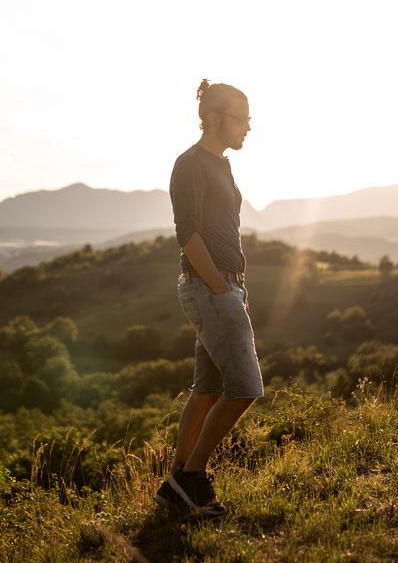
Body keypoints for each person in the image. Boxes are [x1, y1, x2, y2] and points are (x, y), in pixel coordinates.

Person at [154, 78, 261, 517]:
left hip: (224, 287)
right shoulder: (190, 165)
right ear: (215, 119)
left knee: (207, 389)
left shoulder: (222, 166)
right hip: (208, 288)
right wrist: (220, 287)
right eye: (242, 119)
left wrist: (235, 286)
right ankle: (190, 479)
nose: (249, 128)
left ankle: (175, 486)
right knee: (245, 389)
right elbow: (188, 234)